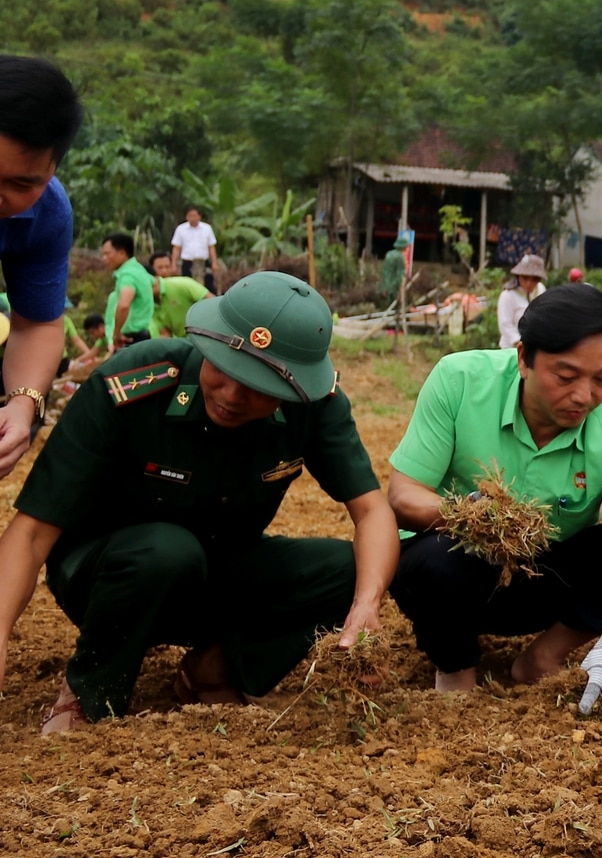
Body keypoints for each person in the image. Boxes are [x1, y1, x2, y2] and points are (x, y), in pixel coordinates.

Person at [0, 272, 398, 733]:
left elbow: (372, 511)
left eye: (257, 386)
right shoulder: (132, 383)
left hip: (217, 573)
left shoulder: (316, 406)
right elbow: (30, 533)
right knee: (167, 550)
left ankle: (214, 668)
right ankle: (92, 692)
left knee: (349, 568)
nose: (231, 396)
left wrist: (367, 604)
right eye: (223, 370)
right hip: (105, 579)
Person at [386, 285, 602, 712]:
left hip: (544, 581)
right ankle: (455, 669)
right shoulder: (460, 381)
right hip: (455, 579)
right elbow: (402, 495)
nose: (584, 396)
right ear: (524, 357)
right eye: (566, 377)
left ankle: (542, 656)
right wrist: (467, 516)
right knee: (434, 560)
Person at [0, 55, 83, 478]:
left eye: (21, 184)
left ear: (51, 170)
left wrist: (22, 402)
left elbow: (35, 325)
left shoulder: (47, 214)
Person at [100, 234, 156, 350]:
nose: (104, 258)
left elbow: (124, 305)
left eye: (107, 254)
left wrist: (116, 334)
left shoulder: (127, 275)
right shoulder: (139, 269)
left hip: (132, 339)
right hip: (145, 334)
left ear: (122, 253)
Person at [148, 252, 209, 338]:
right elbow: (164, 334)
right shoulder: (149, 303)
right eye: (160, 268)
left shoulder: (183, 284)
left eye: (167, 267)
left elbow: (213, 302)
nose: (164, 271)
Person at [496, 254, 546, 350]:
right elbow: (505, 325)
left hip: (535, 346)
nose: (528, 283)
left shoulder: (540, 289)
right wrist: (519, 342)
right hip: (511, 348)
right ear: (518, 276)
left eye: (533, 279)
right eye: (525, 278)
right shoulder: (508, 295)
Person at [169, 206, 223, 292]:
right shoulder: (181, 229)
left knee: (209, 285)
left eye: (194, 215)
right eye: (190, 216)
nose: (192, 218)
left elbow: (211, 247)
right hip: (188, 263)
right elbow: (176, 248)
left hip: (203, 262)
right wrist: (173, 264)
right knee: (187, 286)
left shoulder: (207, 228)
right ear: (186, 217)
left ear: (199, 216)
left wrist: (214, 263)